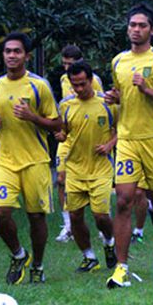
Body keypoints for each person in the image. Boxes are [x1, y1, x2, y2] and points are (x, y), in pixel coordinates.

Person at [104, 3, 153, 288]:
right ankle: (122, 267)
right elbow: (124, 96)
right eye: (132, 25)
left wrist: (147, 89)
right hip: (127, 140)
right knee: (123, 200)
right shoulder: (118, 62)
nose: (136, 30)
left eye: (142, 25)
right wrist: (115, 98)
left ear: (152, 30)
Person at [0, 32, 61, 284]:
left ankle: (38, 265)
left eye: (17, 51)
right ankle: (19, 255)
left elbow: (56, 123)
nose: (11, 55)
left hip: (35, 159)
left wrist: (33, 117)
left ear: (27, 56)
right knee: (0, 213)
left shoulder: (39, 86)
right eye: (8, 51)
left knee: (36, 217)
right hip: (5, 159)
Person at [56, 61, 117, 272]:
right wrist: (61, 134)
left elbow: (123, 129)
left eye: (83, 84)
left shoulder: (108, 103)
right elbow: (63, 131)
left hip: (101, 167)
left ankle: (110, 243)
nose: (79, 89)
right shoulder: (65, 105)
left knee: (101, 215)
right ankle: (89, 257)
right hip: (75, 168)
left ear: (91, 80)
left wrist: (110, 144)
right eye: (75, 85)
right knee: (75, 216)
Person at [55, 44, 104, 243]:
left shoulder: (95, 81)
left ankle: (102, 225)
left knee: (94, 184)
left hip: (91, 140)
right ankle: (68, 225)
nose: (68, 68)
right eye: (65, 64)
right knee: (60, 180)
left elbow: (101, 106)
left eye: (72, 63)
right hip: (69, 137)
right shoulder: (63, 79)